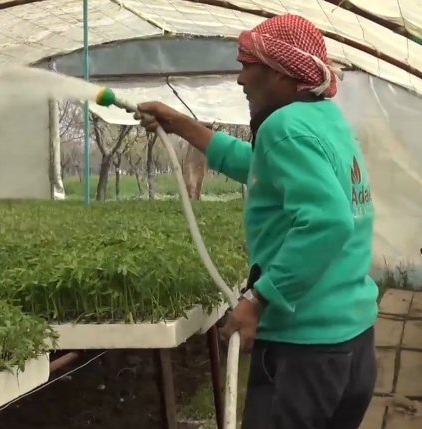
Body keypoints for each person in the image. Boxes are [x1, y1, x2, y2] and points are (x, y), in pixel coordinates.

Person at [134, 14, 379, 429]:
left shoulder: (283, 127)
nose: (240, 79)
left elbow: (329, 222)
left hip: (306, 349)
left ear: (281, 74)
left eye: (248, 65)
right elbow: (260, 167)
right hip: (352, 343)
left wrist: (258, 300)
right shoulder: (324, 119)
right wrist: (182, 126)